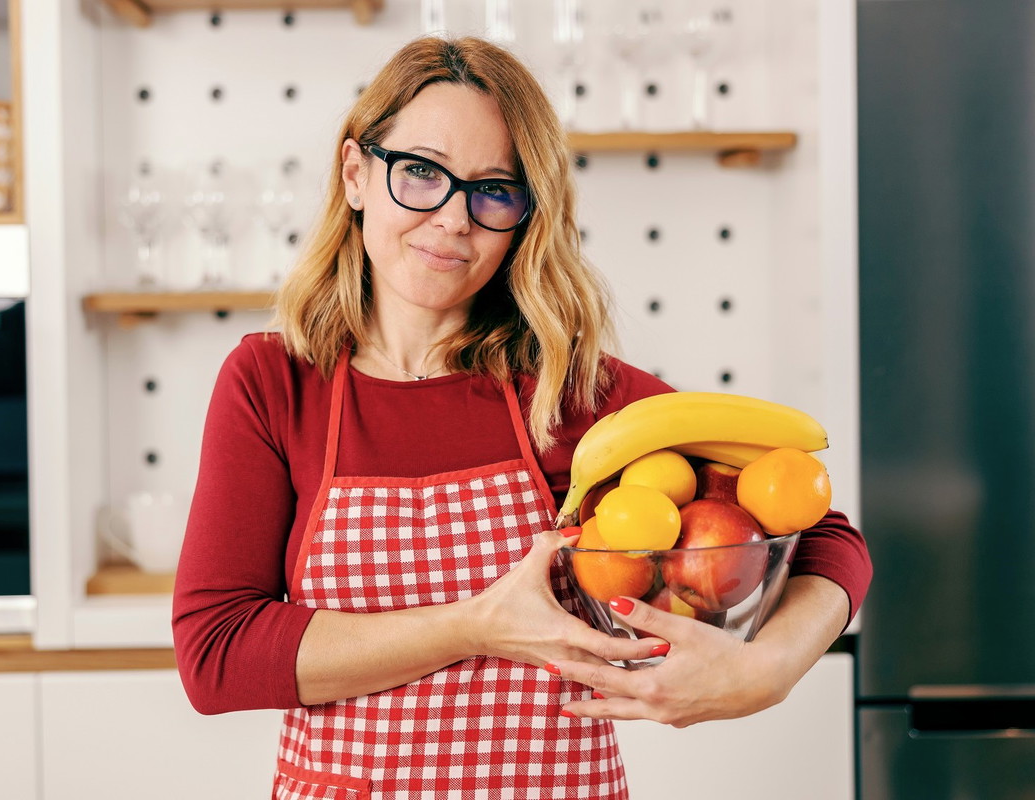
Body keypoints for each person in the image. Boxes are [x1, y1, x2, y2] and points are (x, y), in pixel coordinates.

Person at [172, 35, 872, 798]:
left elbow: (826, 538)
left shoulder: (573, 395)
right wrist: (474, 624)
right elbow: (217, 656)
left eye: (493, 190)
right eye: (420, 173)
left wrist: (766, 670)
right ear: (356, 174)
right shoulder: (276, 383)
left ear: (524, 219)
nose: (453, 219)